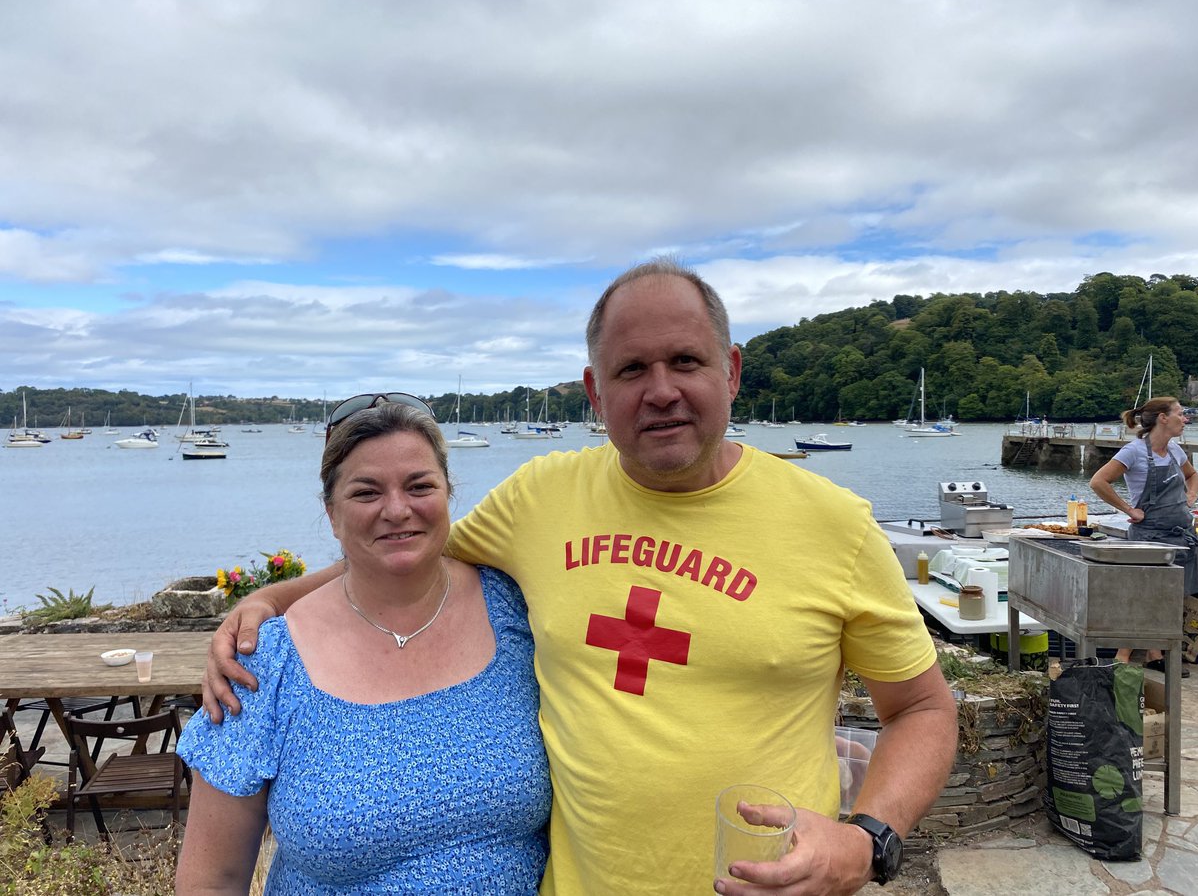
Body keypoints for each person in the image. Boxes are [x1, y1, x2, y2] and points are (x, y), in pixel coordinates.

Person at [203, 258, 958, 895]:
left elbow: (923, 710)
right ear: (595, 394)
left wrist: (867, 842)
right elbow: (405, 547)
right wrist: (271, 599)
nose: (660, 390)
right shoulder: (541, 498)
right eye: (631, 370)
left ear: (730, 371)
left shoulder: (835, 525)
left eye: (685, 362)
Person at [176, 399, 551, 893]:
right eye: (366, 492)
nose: (397, 509)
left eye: (419, 486)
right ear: (331, 514)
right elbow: (212, 877)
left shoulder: (516, 610)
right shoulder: (265, 661)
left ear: (448, 495)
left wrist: (269, 592)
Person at [1090, 396, 1198, 675]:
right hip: (1149, 537)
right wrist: (1128, 509)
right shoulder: (1134, 451)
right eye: (1179, 414)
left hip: (1180, 536)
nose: (1184, 419)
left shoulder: (1175, 451)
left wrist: (1190, 497)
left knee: (1171, 599)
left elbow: (1193, 476)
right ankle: (1121, 658)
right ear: (1163, 418)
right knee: (1145, 597)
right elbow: (1098, 481)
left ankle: (1154, 654)